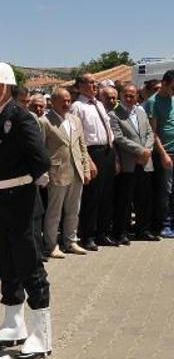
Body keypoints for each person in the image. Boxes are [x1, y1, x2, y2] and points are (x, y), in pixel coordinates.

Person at [0, 62, 52, 359]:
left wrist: (25, 187)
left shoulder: (21, 117)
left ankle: (42, 333)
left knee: (29, 264)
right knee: (7, 264)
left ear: (7, 86)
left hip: (20, 202)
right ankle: (13, 323)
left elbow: (41, 160)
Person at [40, 88, 91, 259]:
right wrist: (44, 173)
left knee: (73, 210)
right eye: (63, 100)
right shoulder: (45, 121)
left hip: (76, 170)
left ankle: (70, 241)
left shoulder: (75, 120)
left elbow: (82, 146)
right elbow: (40, 150)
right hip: (56, 172)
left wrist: (85, 168)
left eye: (69, 100)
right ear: (53, 101)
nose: (67, 104)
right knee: (54, 211)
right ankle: (51, 244)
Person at [71, 74, 117, 250]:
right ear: (80, 86)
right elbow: (78, 135)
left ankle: (102, 233)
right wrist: (87, 160)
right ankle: (87, 235)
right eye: (91, 83)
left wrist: (114, 155)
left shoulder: (99, 104)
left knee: (106, 196)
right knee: (92, 197)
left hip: (107, 151)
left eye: (95, 83)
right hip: (92, 153)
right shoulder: (77, 107)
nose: (94, 85)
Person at [111, 84, 158, 242]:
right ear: (121, 96)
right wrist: (140, 151)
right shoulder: (114, 114)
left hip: (145, 162)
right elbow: (119, 138)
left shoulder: (141, 112)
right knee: (125, 200)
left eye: (132, 95)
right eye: (126, 95)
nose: (129, 98)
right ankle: (121, 232)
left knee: (144, 199)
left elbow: (150, 132)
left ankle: (142, 230)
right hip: (128, 163)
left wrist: (147, 150)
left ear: (137, 96)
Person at [146, 70, 174, 238]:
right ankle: (163, 224)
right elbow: (153, 132)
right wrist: (163, 154)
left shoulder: (172, 99)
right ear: (163, 83)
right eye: (172, 87)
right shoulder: (152, 102)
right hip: (166, 153)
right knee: (165, 191)